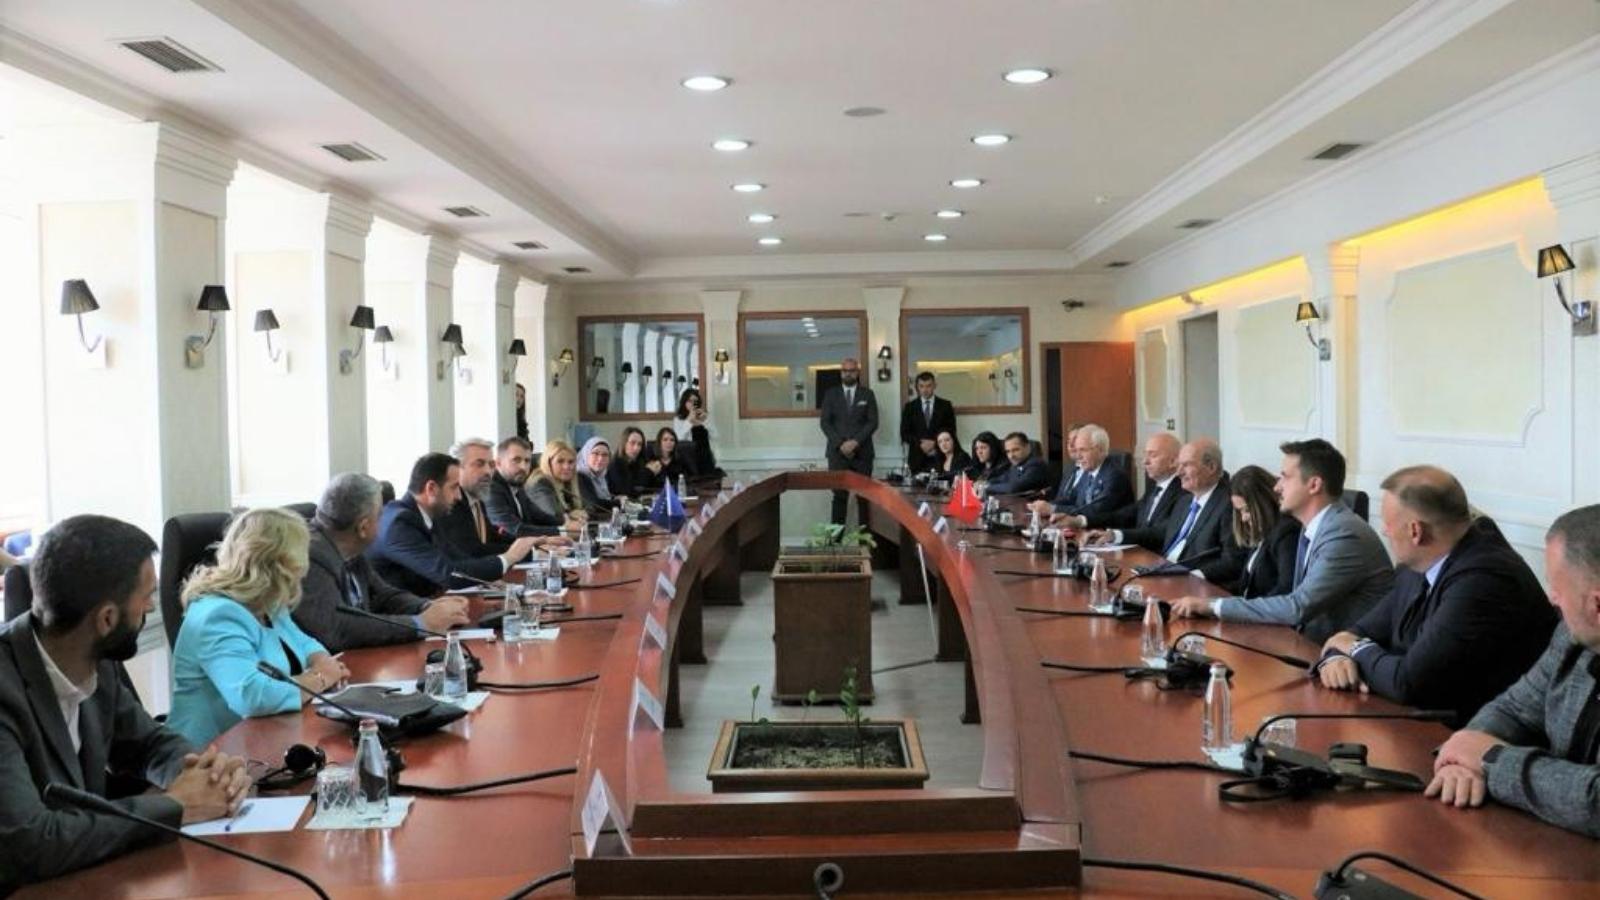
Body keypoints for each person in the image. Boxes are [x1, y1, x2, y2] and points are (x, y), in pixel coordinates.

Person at [0, 515, 251, 890]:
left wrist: (205, 776)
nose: (150, 608)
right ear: (106, 618)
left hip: (85, 877)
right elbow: (30, 841)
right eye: (147, 597)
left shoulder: (94, 659)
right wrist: (177, 805)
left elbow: (147, 743)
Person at [1317, 466, 1555, 724]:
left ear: (1415, 531)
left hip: (1468, 731)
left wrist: (1354, 649)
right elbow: (1355, 633)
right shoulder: (1420, 563)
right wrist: (1337, 657)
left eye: (1388, 524)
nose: (1385, 531)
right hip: (1413, 719)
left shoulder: (1484, 579)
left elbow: (1409, 683)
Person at [1425, 504, 1600, 837]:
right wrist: (1462, 759)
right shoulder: (1571, 637)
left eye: (1557, 587)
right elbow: (1515, 708)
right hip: (1556, 840)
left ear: (1597, 605)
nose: (1552, 599)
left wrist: (1491, 760)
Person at [1170, 438, 1393, 644]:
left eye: (1285, 477)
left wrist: (1213, 606)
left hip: (1339, 656)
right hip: (1306, 642)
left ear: (1314, 485)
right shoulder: (1315, 527)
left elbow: (1297, 606)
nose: (1277, 487)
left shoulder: (1343, 534)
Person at [168, 508, 352, 748]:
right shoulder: (217, 615)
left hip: (262, 738)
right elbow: (252, 696)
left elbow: (304, 642)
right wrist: (321, 677)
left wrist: (322, 661)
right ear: (276, 563)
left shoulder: (267, 602)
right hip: (210, 754)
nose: (305, 564)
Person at [293, 473, 470, 652]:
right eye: (380, 516)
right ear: (363, 527)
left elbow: (383, 596)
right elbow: (336, 629)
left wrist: (427, 607)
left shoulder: (349, 546)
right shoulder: (310, 557)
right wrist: (421, 624)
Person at [367, 452, 541, 597]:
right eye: (454, 487)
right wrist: (508, 558)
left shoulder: (428, 515)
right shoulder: (399, 523)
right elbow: (448, 573)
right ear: (431, 488)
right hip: (398, 617)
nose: (458, 496)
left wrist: (486, 579)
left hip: (430, 604)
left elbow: (459, 558)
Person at [1091, 438, 1240, 584]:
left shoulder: (1229, 505)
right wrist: (1115, 535)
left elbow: (1232, 561)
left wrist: (1192, 576)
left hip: (1194, 584)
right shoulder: (1185, 501)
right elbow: (1160, 533)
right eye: (1179, 465)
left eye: (1186, 465)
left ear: (1211, 467)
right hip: (1164, 573)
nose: (1179, 472)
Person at [1056, 432, 1184, 532]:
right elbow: (1123, 515)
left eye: (1153, 455)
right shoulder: (1155, 487)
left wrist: (1117, 536)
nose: (1145, 461)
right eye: (1145, 455)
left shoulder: (1182, 492)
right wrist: (1080, 521)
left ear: (1173, 461)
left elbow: (1158, 533)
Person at [1028, 424, 1131, 522]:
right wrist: (1044, 505)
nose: (1078, 456)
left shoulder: (1115, 476)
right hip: (1085, 527)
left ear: (1099, 450)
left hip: (1106, 530)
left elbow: (1095, 510)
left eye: (1083, 450)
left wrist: (1053, 509)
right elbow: (1070, 499)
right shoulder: (1088, 472)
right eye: (1077, 451)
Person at [1225, 464, 1300, 599]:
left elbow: (1285, 590)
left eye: (1247, 510)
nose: (1243, 518)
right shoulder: (1264, 532)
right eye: (1240, 511)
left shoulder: (1287, 533)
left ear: (1263, 503)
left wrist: (1241, 607)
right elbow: (1247, 586)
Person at [819, 357, 878, 525]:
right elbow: (825, 423)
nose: (848, 374)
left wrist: (855, 442)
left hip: (862, 454)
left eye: (851, 371)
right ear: (841, 373)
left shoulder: (867, 394)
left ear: (857, 372)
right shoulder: (831, 394)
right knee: (839, 498)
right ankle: (837, 540)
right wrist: (841, 444)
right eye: (845, 371)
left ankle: (865, 539)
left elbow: (873, 422)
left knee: (864, 499)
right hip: (837, 454)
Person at [437, 438, 513, 555]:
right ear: (457, 468)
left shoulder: (477, 499)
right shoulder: (450, 502)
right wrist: (529, 552)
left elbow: (491, 538)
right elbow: (471, 550)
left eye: (491, 465)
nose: (488, 471)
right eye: (479, 464)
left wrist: (532, 543)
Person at [484, 436, 564, 538]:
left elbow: (541, 517)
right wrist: (562, 531)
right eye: (516, 460)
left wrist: (566, 523)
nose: (523, 467)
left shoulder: (516, 484)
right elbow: (515, 529)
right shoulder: (491, 489)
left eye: (527, 461)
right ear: (498, 463)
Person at [899, 371, 957, 474]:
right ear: (917, 387)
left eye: (928, 386)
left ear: (934, 386)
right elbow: (904, 433)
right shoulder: (910, 407)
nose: (925, 390)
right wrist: (920, 444)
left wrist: (935, 443)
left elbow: (951, 430)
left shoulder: (945, 406)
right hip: (916, 458)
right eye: (921, 386)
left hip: (940, 456)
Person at [527, 440, 590, 528]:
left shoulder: (569, 481)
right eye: (560, 461)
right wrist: (571, 514)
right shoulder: (540, 483)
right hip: (543, 533)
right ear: (548, 463)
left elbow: (590, 505)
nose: (566, 467)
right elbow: (552, 514)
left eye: (571, 462)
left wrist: (584, 513)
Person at [672, 388, 722, 479]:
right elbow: (678, 438)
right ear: (684, 402)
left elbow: (716, 436)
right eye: (689, 401)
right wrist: (689, 420)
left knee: (708, 483)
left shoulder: (704, 417)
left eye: (695, 401)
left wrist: (706, 421)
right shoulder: (679, 419)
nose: (692, 404)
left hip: (705, 457)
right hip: (688, 459)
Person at [984, 432, 1051, 496]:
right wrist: (986, 482)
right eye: (1008, 451)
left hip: (1033, 503)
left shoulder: (1036, 465)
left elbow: (1013, 488)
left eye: (1015, 450)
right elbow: (1003, 478)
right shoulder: (1017, 464)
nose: (1011, 456)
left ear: (1027, 447)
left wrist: (987, 487)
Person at [576, 436, 621, 516]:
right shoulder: (580, 476)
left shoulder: (602, 476)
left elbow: (605, 498)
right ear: (586, 454)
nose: (600, 459)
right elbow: (593, 505)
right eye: (595, 453)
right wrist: (618, 503)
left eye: (605, 455)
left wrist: (615, 498)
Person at [607, 426, 656, 498]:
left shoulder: (639, 462)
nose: (636, 448)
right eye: (632, 443)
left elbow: (649, 488)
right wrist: (649, 472)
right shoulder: (614, 465)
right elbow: (628, 491)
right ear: (624, 443)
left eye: (639, 444)